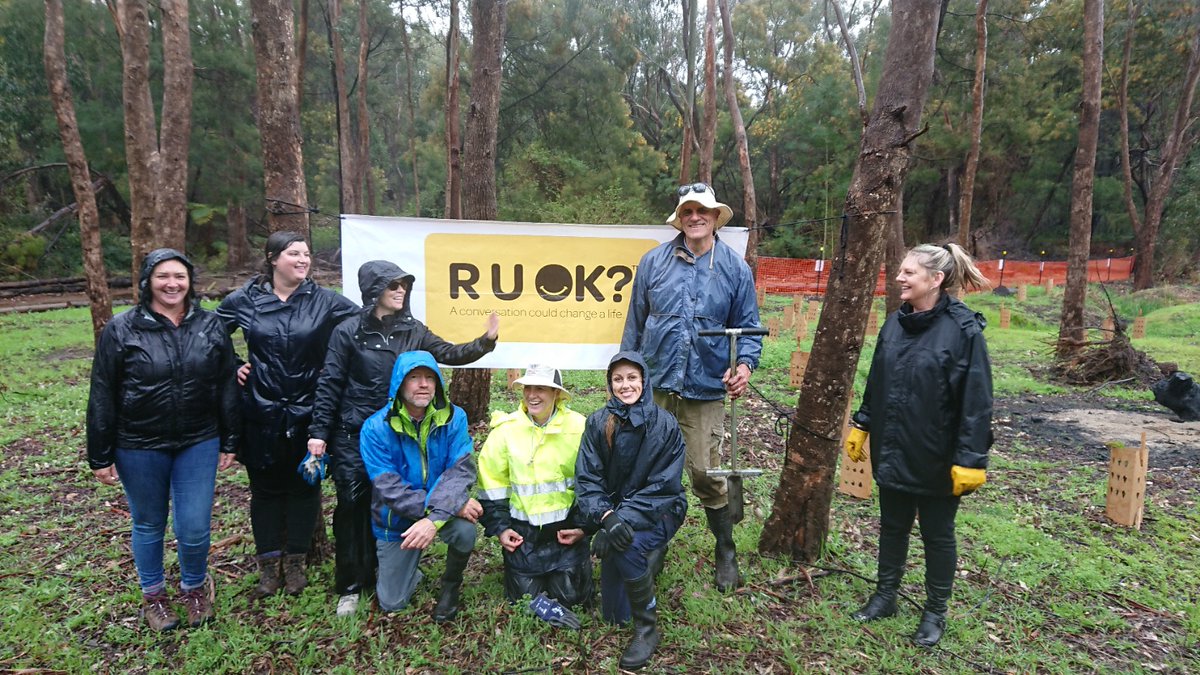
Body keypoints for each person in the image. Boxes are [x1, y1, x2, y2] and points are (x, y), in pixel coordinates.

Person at [308, 261, 498, 617]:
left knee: (399, 496)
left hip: (408, 427)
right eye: (392, 285)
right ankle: (351, 584)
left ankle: (389, 568)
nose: (400, 290)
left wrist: (484, 343)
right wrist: (318, 432)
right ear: (373, 289)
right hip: (357, 431)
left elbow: (449, 354)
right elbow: (330, 381)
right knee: (353, 507)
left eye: (403, 285)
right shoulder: (348, 331)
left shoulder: (413, 330)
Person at [845, 242, 993, 648]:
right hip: (892, 445)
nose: (899, 278)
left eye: (909, 272)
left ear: (936, 279)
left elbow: (977, 402)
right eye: (901, 271)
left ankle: (934, 613)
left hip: (938, 455)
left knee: (937, 535)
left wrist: (971, 458)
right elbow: (877, 380)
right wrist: (863, 423)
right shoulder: (895, 323)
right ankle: (885, 597)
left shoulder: (963, 331)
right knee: (892, 526)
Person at [87, 249, 240, 631]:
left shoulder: (210, 326)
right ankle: (153, 596)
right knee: (148, 522)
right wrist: (99, 454)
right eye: (163, 276)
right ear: (147, 282)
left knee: (194, 526)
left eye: (180, 277)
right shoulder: (121, 329)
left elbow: (226, 385)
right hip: (137, 444)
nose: (172, 284)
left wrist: (230, 440)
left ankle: (194, 588)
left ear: (190, 282)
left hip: (198, 440)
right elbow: (103, 391)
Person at [620, 182, 762, 592]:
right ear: (679, 219)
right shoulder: (654, 262)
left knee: (704, 472)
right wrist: (626, 376)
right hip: (656, 386)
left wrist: (744, 366)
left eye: (703, 211)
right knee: (651, 470)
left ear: (716, 217)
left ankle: (725, 549)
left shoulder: (735, 269)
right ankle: (655, 545)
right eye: (688, 211)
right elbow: (635, 322)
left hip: (705, 388)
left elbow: (748, 328)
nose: (695, 217)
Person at [216, 231, 358, 598]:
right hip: (260, 411)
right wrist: (233, 365)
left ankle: (295, 565)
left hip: (311, 410)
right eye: (294, 253)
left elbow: (362, 327)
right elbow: (208, 335)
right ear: (272, 258)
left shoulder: (325, 301)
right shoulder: (244, 300)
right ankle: (268, 569)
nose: (303, 260)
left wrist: (334, 366)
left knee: (305, 487)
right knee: (264, 491)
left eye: (306, 254)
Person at [575, 351, 687, 671]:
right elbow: (587, 479)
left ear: (644, 380)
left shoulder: (665, 424)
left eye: (632, 378)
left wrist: (619, 522)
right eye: (618, 379)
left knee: (626, 545)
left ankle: (647, 628)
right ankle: (649, 559)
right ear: (610, 384)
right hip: (616, 512)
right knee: (614, 614)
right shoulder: (598, 422)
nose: (626, 385)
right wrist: (606, 518)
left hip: (663, 508)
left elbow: (663, 486)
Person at [359, 350, 481, 621]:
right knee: (392, 602)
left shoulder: (455, 417)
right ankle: (405, 570)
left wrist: (434, 519)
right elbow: (389, 488)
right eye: (414, 377)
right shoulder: (375, 428)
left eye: (430, 377)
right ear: (399, 383)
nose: (423, 384)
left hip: (440, 511)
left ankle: (451, 585)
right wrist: (447, 508)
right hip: (396, 519)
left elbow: (460, 471)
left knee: (465, 530)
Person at [477, 365, 591, 610]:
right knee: (525, 601)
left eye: (541, 388)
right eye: (528, 388)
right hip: (523, 536)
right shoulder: (505, 431)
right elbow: (491, 485)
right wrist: (501, 528)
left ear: (556, 394)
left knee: (572, 598)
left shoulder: (580, 428)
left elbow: (593, 482)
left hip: (566, 532)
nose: (532, 395)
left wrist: (583, 527)